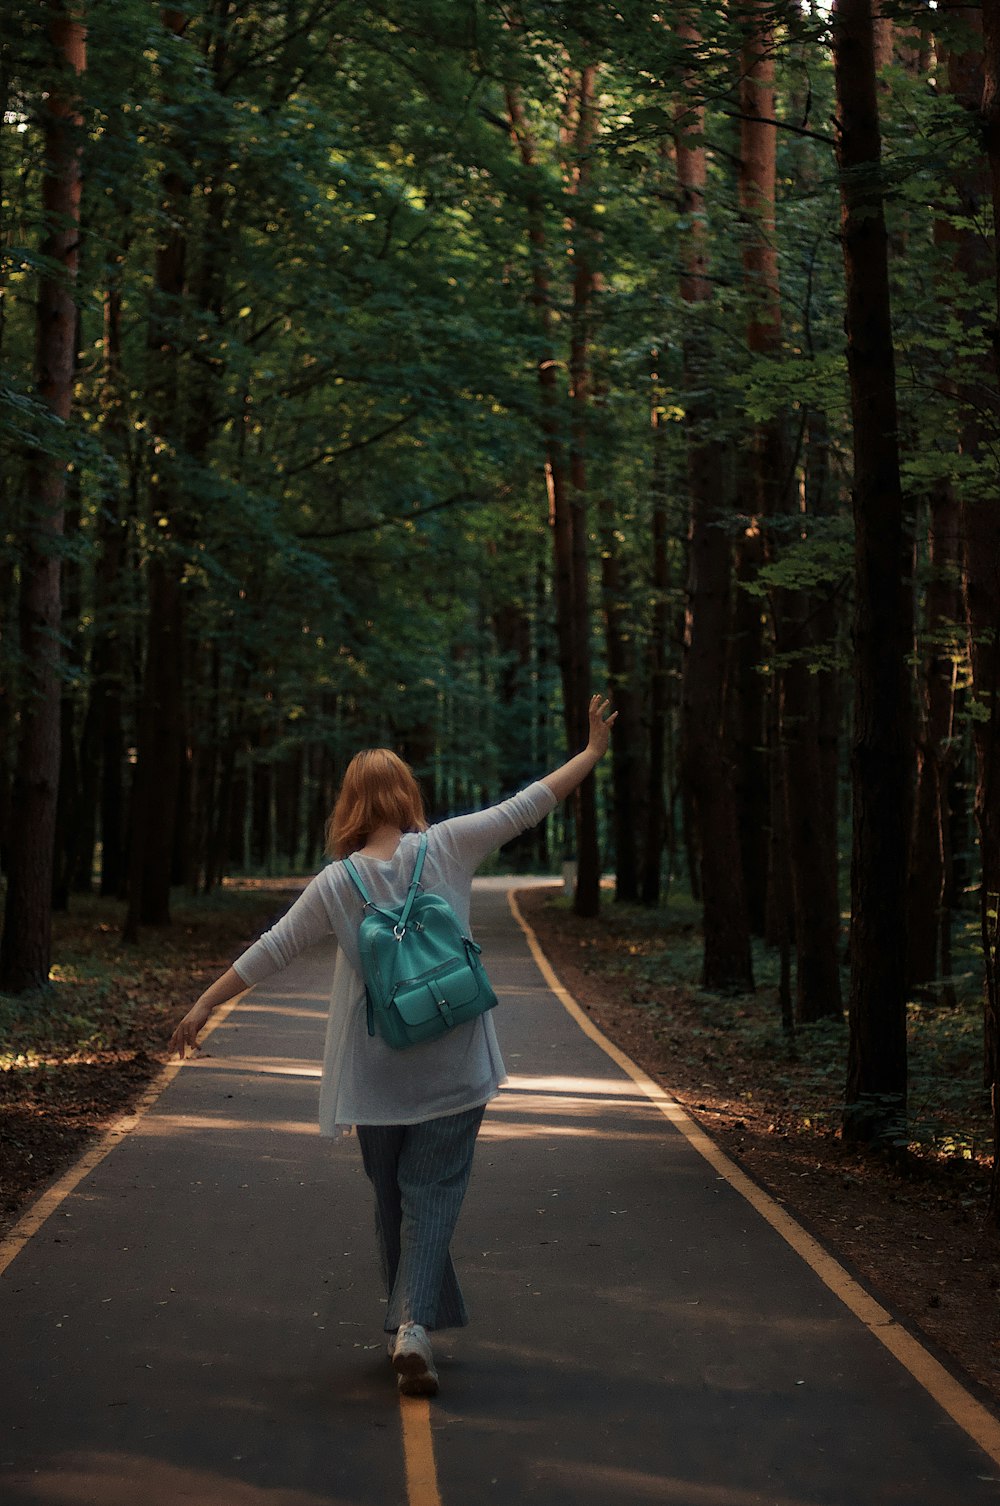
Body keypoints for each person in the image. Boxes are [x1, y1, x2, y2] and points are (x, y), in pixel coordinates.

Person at [168, 694, 616, 1397]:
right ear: (406, 796)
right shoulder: (447, 847)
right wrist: (590, 753)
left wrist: (203, 1002)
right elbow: (530, 804)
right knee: (429, 1194)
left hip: (377, 1077)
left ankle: (413, 1319)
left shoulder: (335, 885)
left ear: (348, 806)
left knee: (394, 1199)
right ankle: (414, 1325)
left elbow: (273, 949)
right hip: (455, 1058)